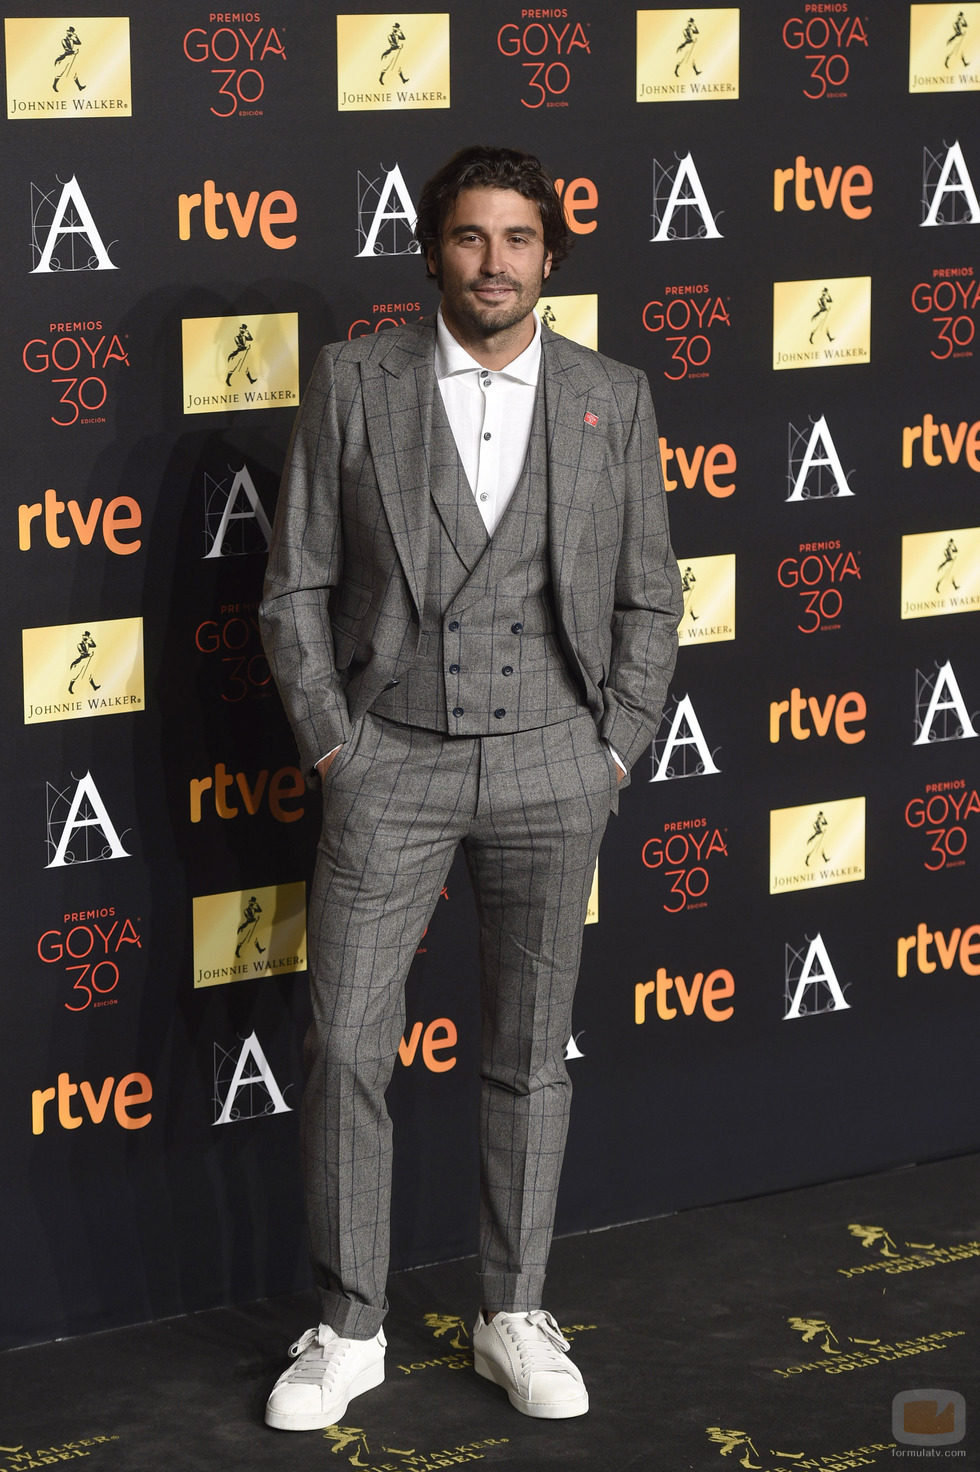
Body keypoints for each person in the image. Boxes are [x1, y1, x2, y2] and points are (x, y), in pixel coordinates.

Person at [259, 144, 681, 1431]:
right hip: (388, 756)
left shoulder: (612, 394)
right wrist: (334, 740)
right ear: (432, 250)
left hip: (558, 761)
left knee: (528, 1052)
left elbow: (649, 593)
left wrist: (614, 745)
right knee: (345, 1042)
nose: (492, 262)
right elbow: (295, 584)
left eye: (516, 239)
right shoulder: (355, 381)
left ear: (549, 257)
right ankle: (348, 1326)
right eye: (468, 236)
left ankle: (513, 1308)